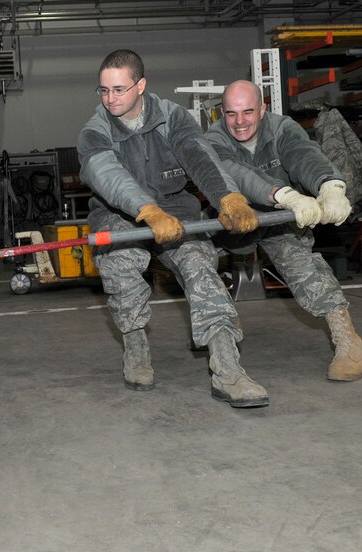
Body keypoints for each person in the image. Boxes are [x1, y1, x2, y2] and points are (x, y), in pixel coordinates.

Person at [77, 49, 267, 408]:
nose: (110, 98)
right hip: (119, 214)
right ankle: (135, 347)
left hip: (176, 209)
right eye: (103, 90)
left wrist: (228, 197)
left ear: (141, 85)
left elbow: (198, 155)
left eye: (119, 89)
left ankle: (228, 369)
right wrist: (146, 210)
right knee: (120, 266)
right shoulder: (95, 131)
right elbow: (107, 174)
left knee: (201, 268)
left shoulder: (171, 116)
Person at [205, 80, 362, 381]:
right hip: (234, 217)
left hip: (280, 219)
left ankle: (348, 341)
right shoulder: (213, 139)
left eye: (248, 111)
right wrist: (283, 194)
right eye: (231, 113)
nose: (239, 122)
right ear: (221, 114)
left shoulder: (282, 128)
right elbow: (236, 173)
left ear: (263, 109)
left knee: (304, 265)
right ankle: (217, 324)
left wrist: (329, 185)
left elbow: (303, 154)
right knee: (195, 257)